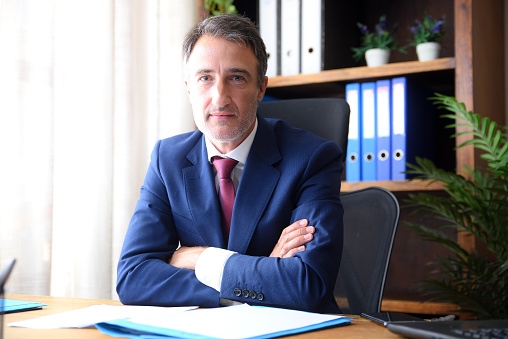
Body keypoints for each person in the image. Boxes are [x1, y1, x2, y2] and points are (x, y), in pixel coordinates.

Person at [116, 13, 344, 314]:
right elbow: (133, 278)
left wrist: (202, 259)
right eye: (205, 78)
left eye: (236, 78)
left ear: (261, 89)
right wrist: (260, 275)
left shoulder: (313, 158)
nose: (219, 97)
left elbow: (307, 285)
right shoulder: (167, 159)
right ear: (188, 87)